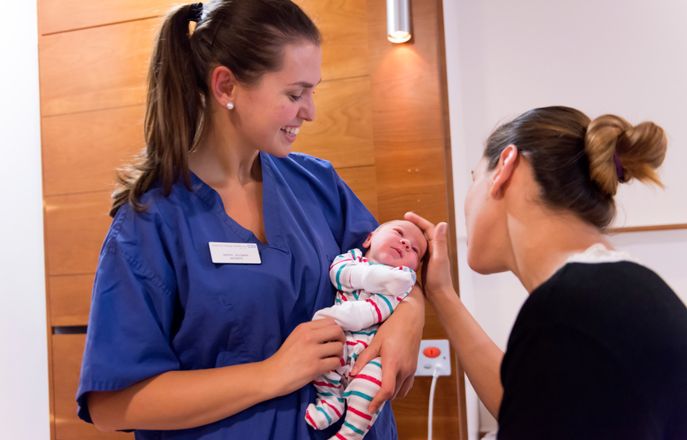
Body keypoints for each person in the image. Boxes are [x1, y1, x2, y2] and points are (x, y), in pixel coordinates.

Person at [76, 1, 425, 439]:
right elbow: (113, 405)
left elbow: (394, 273)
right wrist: (271, 374)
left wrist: (411, 315)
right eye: (294, 94)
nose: (310, 111)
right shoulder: (152, 223)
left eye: (312, 91)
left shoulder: (318, 185)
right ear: (226, 86)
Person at [405, 106, 687, 439]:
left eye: (473, 178)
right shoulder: (626, 291)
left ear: (505, 166)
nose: (467, 201)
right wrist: (441, 292)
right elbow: (530, 402)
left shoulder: (566, 312)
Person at [305, 220, 427, 439]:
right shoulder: (350, 259)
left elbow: (377, 310)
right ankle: (331, 401)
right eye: (399, 232)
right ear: (369, 239)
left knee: (371, 387)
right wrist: (377, 278)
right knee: (321, 360)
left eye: (415, 249)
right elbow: (338, 275)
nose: (406, 243)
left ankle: (350, 432)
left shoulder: (401, 284)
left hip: (369, 352)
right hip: (338, 339)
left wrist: (339, 317)